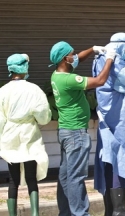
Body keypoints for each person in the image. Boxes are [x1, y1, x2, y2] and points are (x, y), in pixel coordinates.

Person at [49, 41, 116, 216]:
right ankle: (80, 213)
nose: (75, 56)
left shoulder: (56, 75)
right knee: (76, 177)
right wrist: (109, 59)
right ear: (65, 58)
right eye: (72, 54)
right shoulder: (69, 80)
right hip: (76, 133)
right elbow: (100, 81)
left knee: (65, 176)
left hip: (65, 132)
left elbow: (78, 59)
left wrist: (93, 49)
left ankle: (65, 213)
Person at [92, 32, 125, 216]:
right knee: (119, 161)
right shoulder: (115, 61)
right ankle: (119, 210)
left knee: (110, 161)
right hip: (119, 118)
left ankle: (111, 210)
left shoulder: (101, 59)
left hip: (107, 119)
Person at [0, 53, 52, 216]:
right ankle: (35, 213)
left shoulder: (3, 91)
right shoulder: (34, 89)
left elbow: (0, 120)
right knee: (31, 177)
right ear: (24, 67)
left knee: (13, 179)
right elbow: (44, 117)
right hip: (30, 135)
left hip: (10, 136)